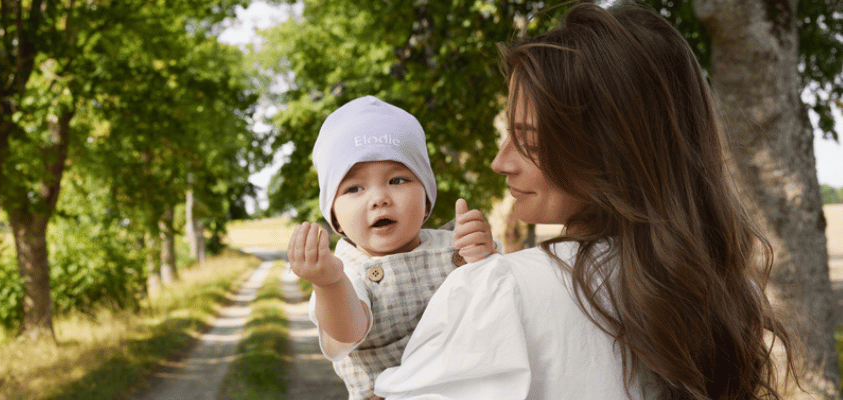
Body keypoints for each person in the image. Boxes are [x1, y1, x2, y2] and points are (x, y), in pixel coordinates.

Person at [374, 3, 798, 399]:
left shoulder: (503, 293)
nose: (499, 162)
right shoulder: (723, 294)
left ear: (609, 150)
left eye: (529, 141)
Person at [288, 95, 498, 400]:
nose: (379, 199)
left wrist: (483, 256)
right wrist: (328, 284)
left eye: (397, 180)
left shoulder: (455, 246)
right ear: (335, 218)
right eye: (354, 188)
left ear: (427, 200)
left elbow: (500, 297)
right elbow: (348, 333)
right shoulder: (345, 273)